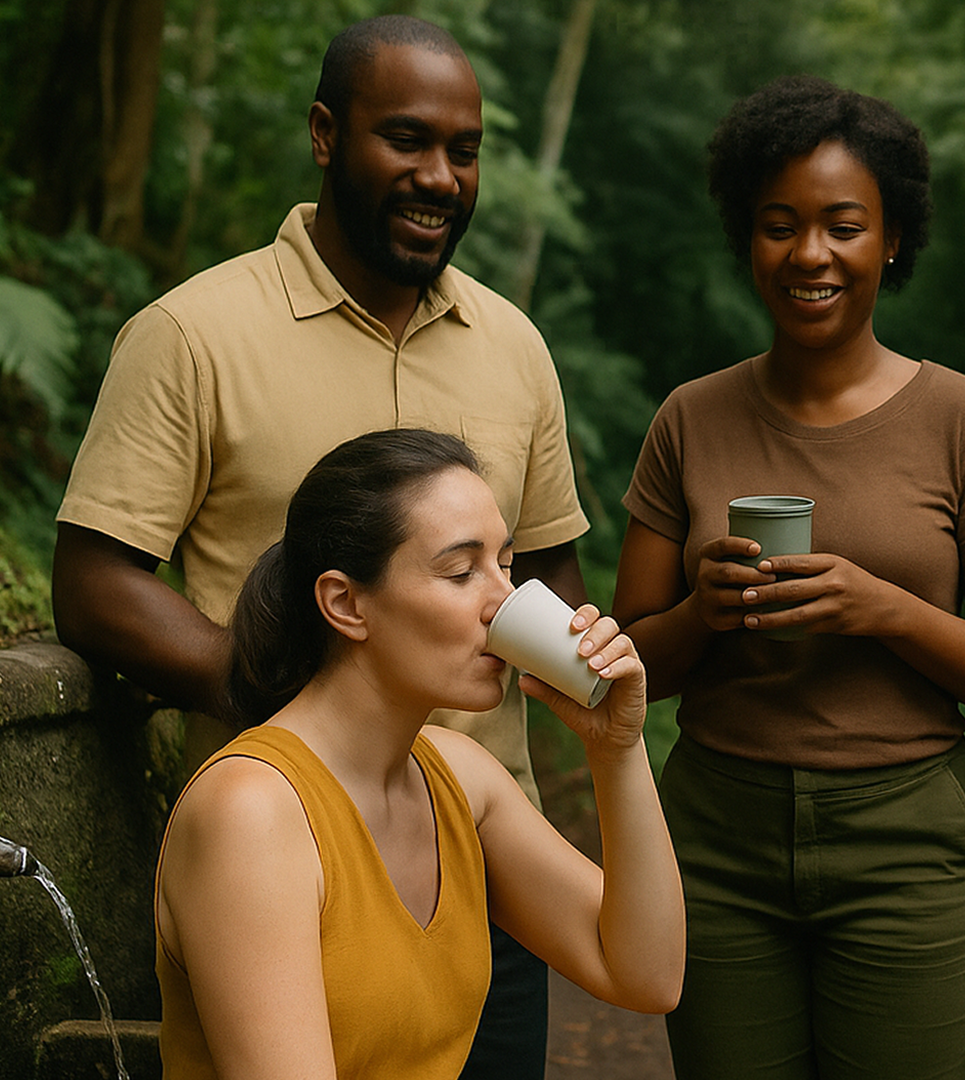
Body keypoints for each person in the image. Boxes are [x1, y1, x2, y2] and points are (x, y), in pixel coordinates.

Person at [51, 16, 583, 1074]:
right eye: (407, 140)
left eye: (465, 151)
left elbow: (545, 571)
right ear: (326, 134)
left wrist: (595, 692)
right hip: (288, 865)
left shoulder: (517, 347)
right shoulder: (191, 334)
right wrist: (285, 696)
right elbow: (96, 581)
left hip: (488, 862)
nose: (440, 177)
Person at [611, 75, 965, 1080]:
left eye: (843, 226)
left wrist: (888, 611)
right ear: (747, 239)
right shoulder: (690, 418)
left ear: (891, 240)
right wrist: (702, 612)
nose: (809, 254)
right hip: (716, 838)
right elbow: (623, 662)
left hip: (907, 842)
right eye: (779, 226)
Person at [154, 428, 682, 1078]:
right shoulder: (251, 813)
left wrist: (617, 751)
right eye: (461, 573)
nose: (503, 602)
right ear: (345, 604)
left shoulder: (461, 776)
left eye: (506, 566)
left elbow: (647, 976)